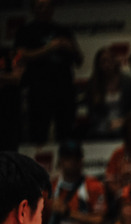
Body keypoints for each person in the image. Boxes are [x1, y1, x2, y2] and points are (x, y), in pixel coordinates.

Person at [14, 0, 83, 144]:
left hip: (64, 87)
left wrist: (69, 47)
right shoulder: (26, 31)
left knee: (66, 131)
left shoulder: (63, 31)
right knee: (38, 132)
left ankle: (66, 161)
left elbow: (79, 59)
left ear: (52, 8)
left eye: (47, 6)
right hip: (39, 89)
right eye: (40, 6)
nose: (44, 9)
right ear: (33, 9)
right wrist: (49, 48)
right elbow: (20, 55)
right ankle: (36, 165)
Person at [32, 140, 106, 224]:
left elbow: (99, 221)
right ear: (60, 161)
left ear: (81, 161)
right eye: (68, 158)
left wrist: (69, 212)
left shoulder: (93, 186)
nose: (72, 162)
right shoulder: (50, 188)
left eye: (76, 158)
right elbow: (35, 221)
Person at [81, 47, 131, 141]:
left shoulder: (127, 82)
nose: (107, 64)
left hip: (125, 123)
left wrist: (123, 121)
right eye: (103, 62)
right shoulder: (93, 84)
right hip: (101, 126)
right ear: (98, 65)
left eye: (109, 60)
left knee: (125, 131)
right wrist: (107, 124)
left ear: (114, 61)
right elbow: (92, 113)